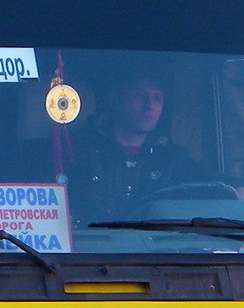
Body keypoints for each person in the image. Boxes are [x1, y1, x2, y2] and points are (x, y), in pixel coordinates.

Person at [63, 73, 201, 220]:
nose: (150, 106)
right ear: (115, 101)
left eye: (157, 98)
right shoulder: (77, 153)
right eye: (140, 96)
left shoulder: (173, 161)